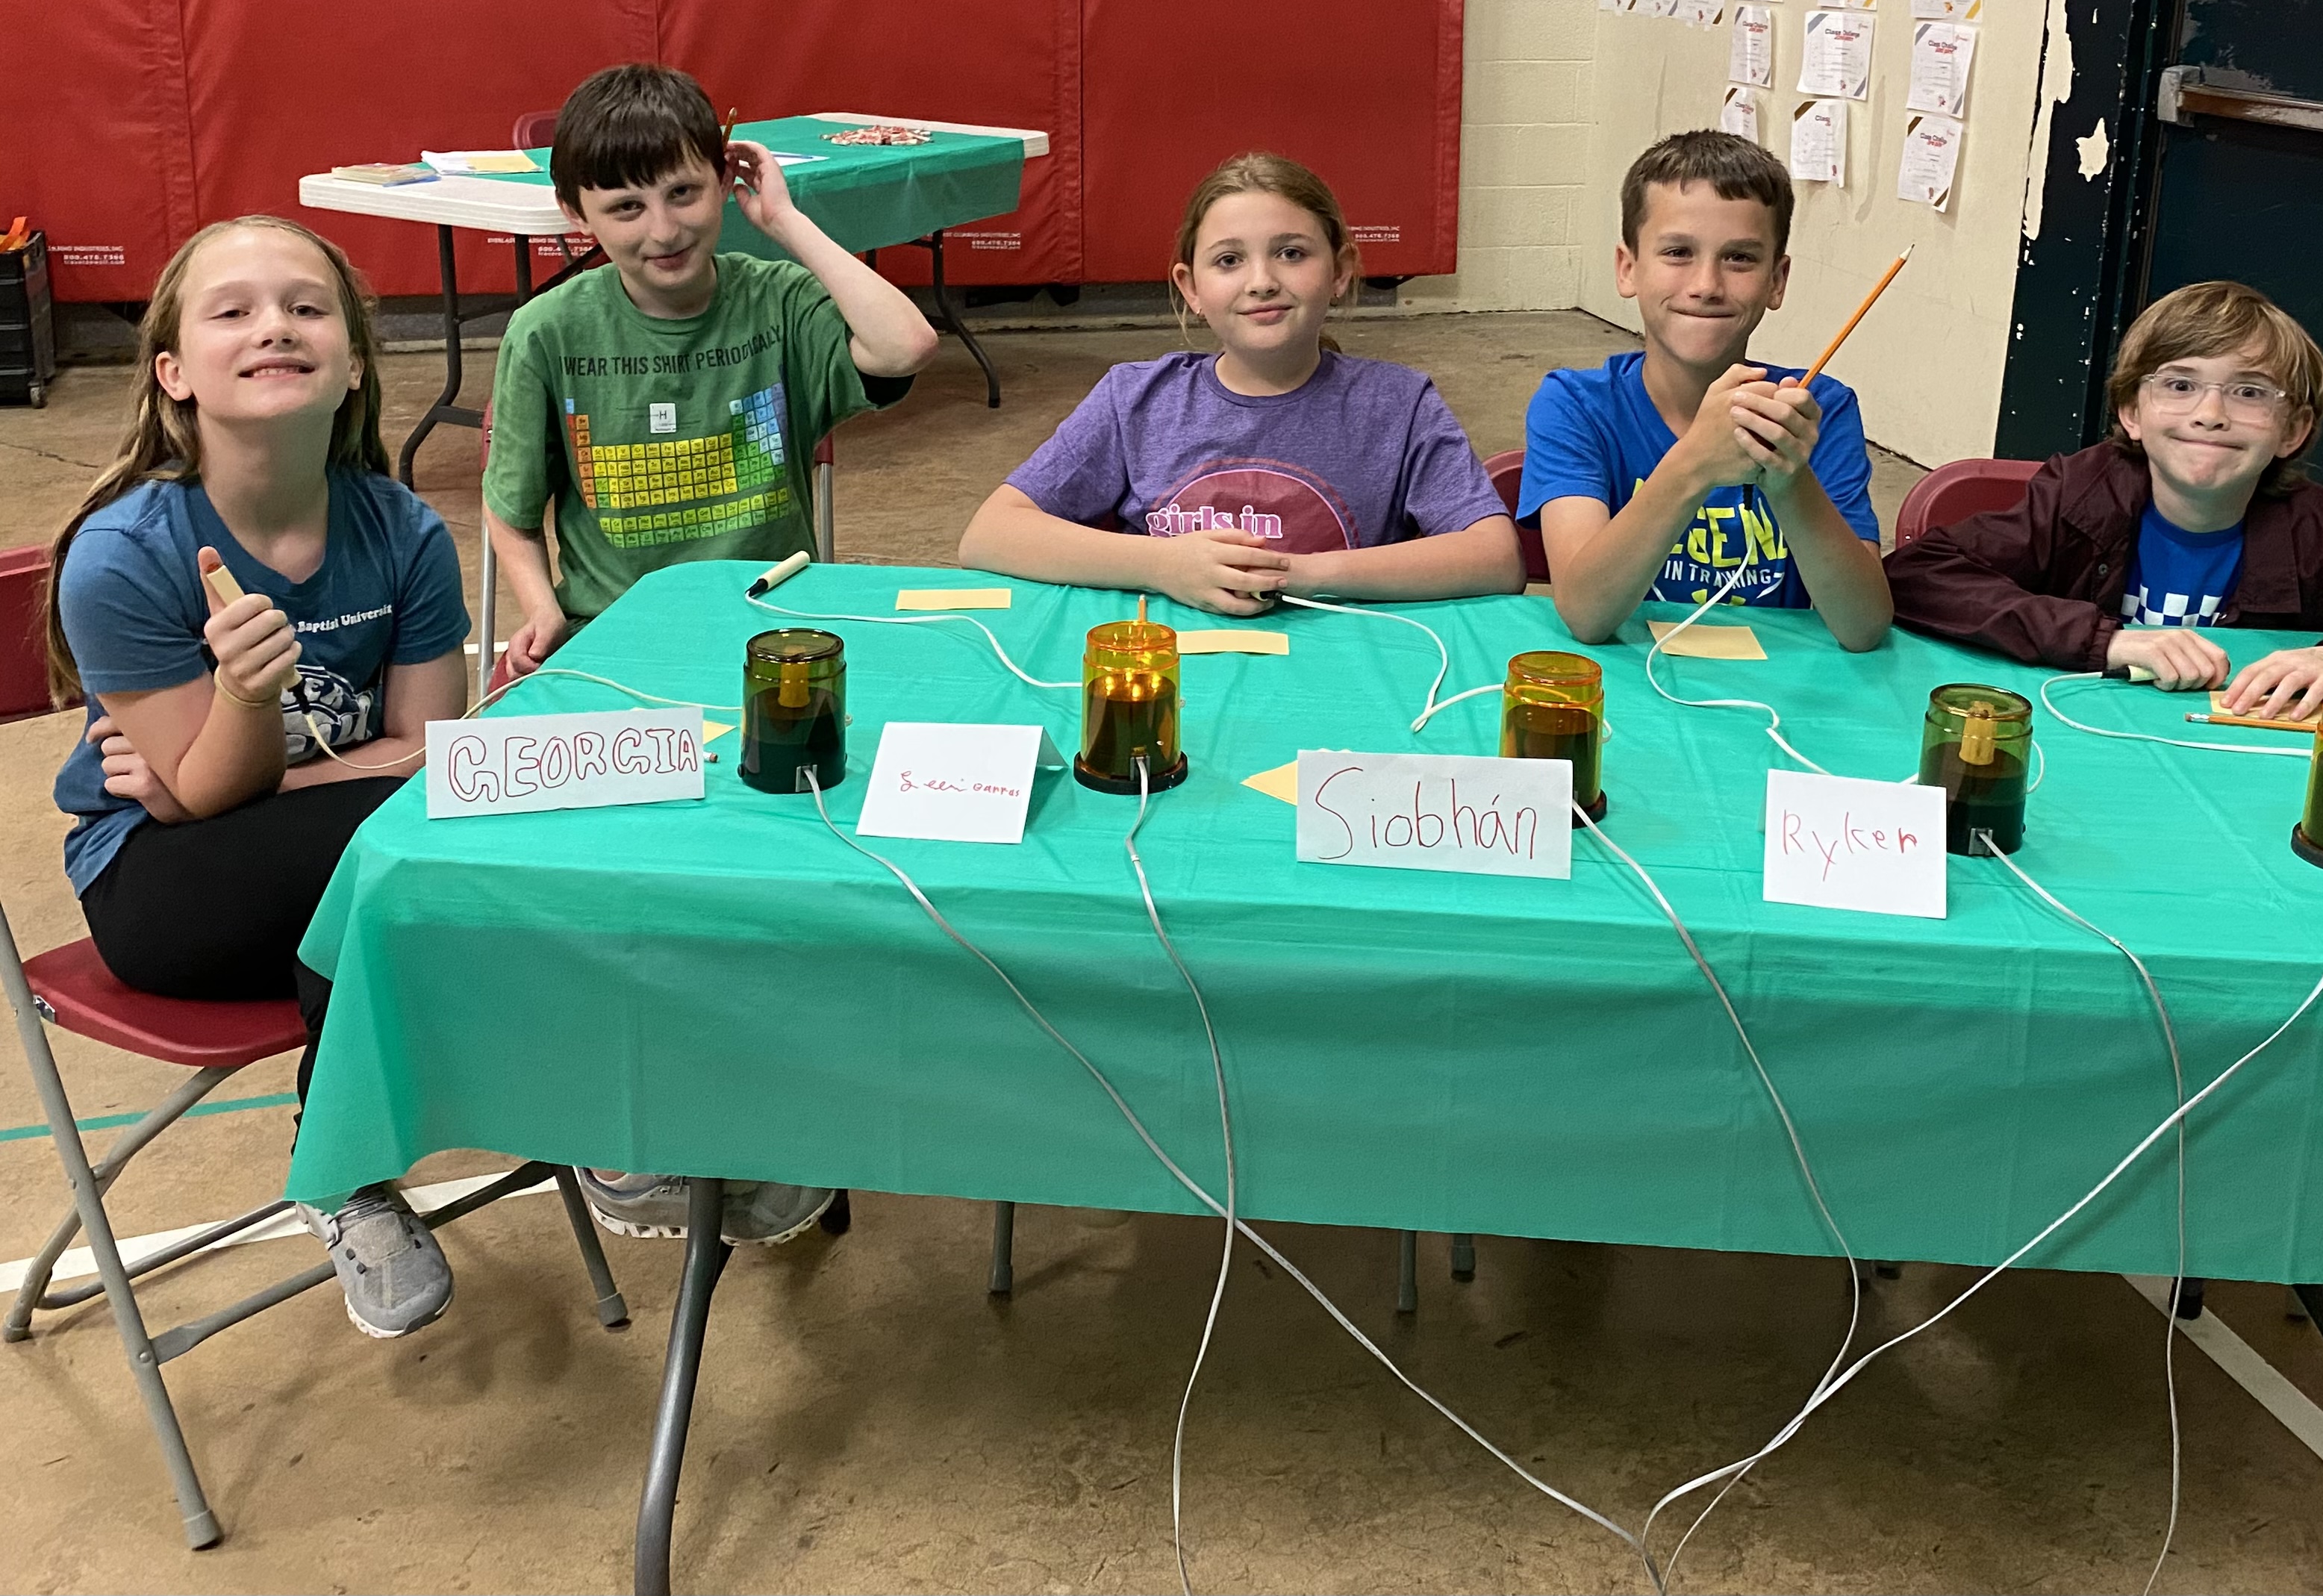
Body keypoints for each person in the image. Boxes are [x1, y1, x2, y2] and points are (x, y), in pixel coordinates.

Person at [482, 60, 935, 1244]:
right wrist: (536, 605)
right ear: (577, 218)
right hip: (610, 657)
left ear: (721, 184)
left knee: (786, 904)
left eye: (685, 193)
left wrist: (785, 218)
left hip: (772, 663)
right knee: (603, 906)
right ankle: (627, 1134)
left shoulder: (776, 297)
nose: (661, 228)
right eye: (622, 207)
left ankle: (786, 1129)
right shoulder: (548, 332)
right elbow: (507, 509)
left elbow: (904, 344)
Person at [46, 216, 470, 1340]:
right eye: (232, 310)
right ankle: (338, 1166)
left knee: (424, 833)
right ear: (175, 373)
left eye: (307, 307)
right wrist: (241, 702)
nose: (274, 325)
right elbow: (202, 808)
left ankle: (571, 1126)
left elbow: (433, 749)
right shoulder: (126, 551)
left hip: (316, 851)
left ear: (356, 362)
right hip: (159, 885)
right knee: (403, 831)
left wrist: (218, 771)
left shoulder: (404, 530)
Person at [1884, 280, 2323, 714]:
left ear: (2292, 430)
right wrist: (2107, 640)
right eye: (2178, 384)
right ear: (2130, 411)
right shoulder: (2075, 497)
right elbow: (1915, 576)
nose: (2210, 413)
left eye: (2248, 392)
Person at [958, 151, 1522, 612]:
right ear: (1191, 288)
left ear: (1340, 270)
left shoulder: (1399, 405)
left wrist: (1298, 572)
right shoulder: (1134, 400)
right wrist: (1163, 564)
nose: (1261, 281)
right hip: (1169, 670)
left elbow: (1495, 557)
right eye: (1228, 260)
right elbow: (990, 535)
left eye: (1291, 253)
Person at [1518, 130, 1891, 649]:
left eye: (1739, 258)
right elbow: (1584, 612)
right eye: (1677, 252)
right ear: (1628, 269)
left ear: (1776, 281)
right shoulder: (1576, 406)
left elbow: (1864, 627)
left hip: (1775, 698)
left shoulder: (1818, 409)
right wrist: (1695, 460)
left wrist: (1790, 480)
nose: (1706, 284)